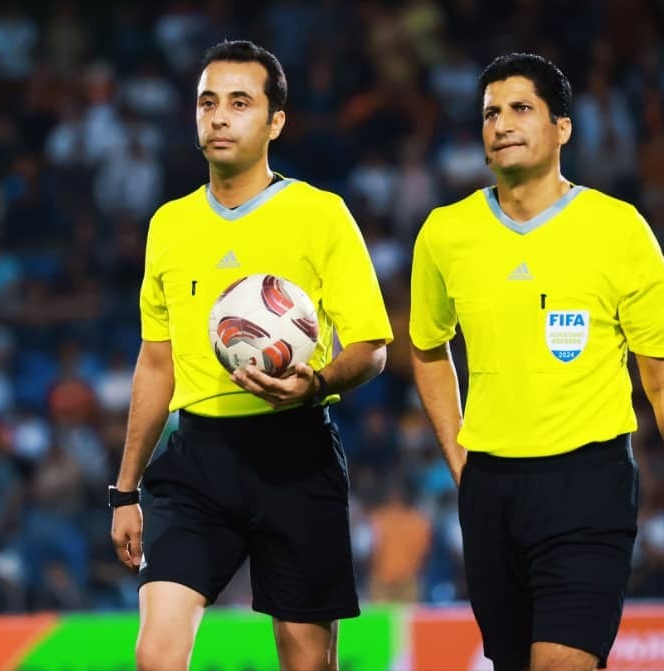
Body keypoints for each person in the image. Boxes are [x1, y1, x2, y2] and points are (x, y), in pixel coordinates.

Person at [110, 40, 392, 671]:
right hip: (197, 460)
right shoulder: (169, 224)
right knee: (155, 654)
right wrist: (124, 490)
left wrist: (315, 382)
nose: (219, 117)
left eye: (240, 103)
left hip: (296, 455)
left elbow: (372, 349)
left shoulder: (321, 215)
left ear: (276, 121)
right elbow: (155, 364)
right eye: (207, 102)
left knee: (307, 660)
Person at [410, 52, 664, 671]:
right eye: (490, 113)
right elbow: (427, 346)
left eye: (521, 108)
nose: (501, 124)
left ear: (562, 127)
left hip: (589, 482)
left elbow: (658, 374)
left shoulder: (619, 229)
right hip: (489, 489)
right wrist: (459, 458)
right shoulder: (445, 233)